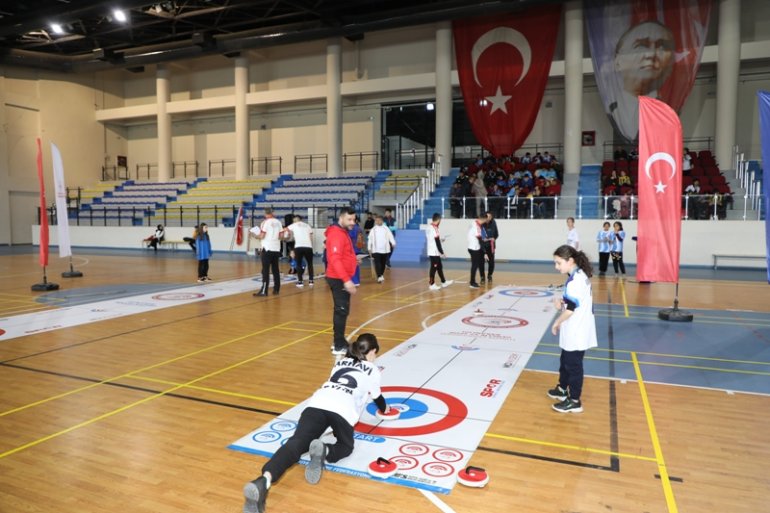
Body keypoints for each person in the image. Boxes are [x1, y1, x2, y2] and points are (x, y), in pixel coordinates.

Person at [243, 333, 390, 513]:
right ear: (373, 351)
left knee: (296, 443)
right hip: (342, 411)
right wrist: (386, 409)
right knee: (345, 446)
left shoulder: (340, 361)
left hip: (317, 403)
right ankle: (325, 450)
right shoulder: (372, 369)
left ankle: (263, 480)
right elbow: (378, 399)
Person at [547, 245, 598, 414]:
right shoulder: (577, 275)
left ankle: (574, 400)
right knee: (565, 361)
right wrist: (562, 302)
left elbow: (570, 310)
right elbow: (572, 303)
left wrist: (556, 322)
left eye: (558, 263)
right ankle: (562, 389)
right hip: (575, 327)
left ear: (570, 261)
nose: (556, 267)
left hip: (577, 330)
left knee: (573, 365)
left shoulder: (576, 280)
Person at [608, 20, 675, 140]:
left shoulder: (671, 112)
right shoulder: (609, 111)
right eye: (641, 46)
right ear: (618, 61)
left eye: (661, 47)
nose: (651, 54)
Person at [324, 207, 358, 357]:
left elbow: (342, 255)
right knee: (341, 310)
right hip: (338, 278)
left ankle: (340, 340)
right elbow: (335, 259)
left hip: (341, 276)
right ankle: (338, 345)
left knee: (343, 310)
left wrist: (352, 259)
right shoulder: (337, 234)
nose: (352, 222)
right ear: (341, 218)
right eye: (349, 219)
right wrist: (346, 280)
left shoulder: (343, 233)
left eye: (354, 220)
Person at [251, 208, 283, 297]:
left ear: (265, 214)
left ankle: (264, 290)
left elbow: (262, 236)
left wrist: (254, 235)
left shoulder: (265, 222)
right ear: (273, 213)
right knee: (275, 269)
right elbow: (281, 236)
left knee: (265, 270)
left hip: (267, 248)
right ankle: (276, 289)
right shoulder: (278, 222)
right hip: (276, 248)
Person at [285, 215, 314, 288]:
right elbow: (311, 237)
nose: (294, 222)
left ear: (297, 220)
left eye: (294, 220)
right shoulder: (307, 226)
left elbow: (286, 230)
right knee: (310, 264)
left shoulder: (294, 225)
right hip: (308, 246)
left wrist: (286, 236)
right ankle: (311, 281)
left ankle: (300, 281)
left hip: (299, 247)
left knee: (298, 264)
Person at [425, 213, 452, 291]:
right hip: (434, 252)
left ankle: (443, 282)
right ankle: (431, 284)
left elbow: (433, 239)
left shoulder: (428, 227)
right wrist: (442, 252)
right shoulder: (434, 228)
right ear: (438, 220)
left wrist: (440, 240)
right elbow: (436, 242)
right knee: (434, 268)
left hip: (432, 250)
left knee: (439, 267)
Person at [367, 214, 395, 283]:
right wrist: (369, 248)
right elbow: (370, 239)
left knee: (383, 264)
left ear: (382, 221)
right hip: (375, 250)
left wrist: (393, 243)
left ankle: (381, 274)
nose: (377, 222)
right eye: (376, 220)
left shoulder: (386, 228)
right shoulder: (373, 230)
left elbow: (390, 236)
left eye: (379, 220)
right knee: (377, 263)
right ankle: (379, 276)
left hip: (385, 250)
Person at [466, 213, 487, 289]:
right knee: (475, 265)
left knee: (475, 265)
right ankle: (472, 282)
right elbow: (480, 240)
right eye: (485, 220)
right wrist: (485, 252)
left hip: (470, 247)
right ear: (483, 219)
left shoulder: (473, 223)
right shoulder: (477, 226)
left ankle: (472, 281)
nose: (485, 222)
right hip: (474, 248)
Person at [348, 216, 364, 286]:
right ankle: (357, 281)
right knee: (356, 265)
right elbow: (361, 241)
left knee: (351, 265)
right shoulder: (359, 229)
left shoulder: (351, 228)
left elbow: (348, 238)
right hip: (358, 249)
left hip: (351, 249)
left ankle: (354, 281)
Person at [482, 211, 499, 283]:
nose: (488, 218)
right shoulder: (481, 224)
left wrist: (494, 238)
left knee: (491, 262)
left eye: (489, 217)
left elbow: (497, 234)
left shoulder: (494, 223)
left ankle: (490, 275)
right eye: (487, 216)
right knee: (481, 262)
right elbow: (480, 235)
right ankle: (482, 277)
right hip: (482, 245)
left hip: (491, 245)